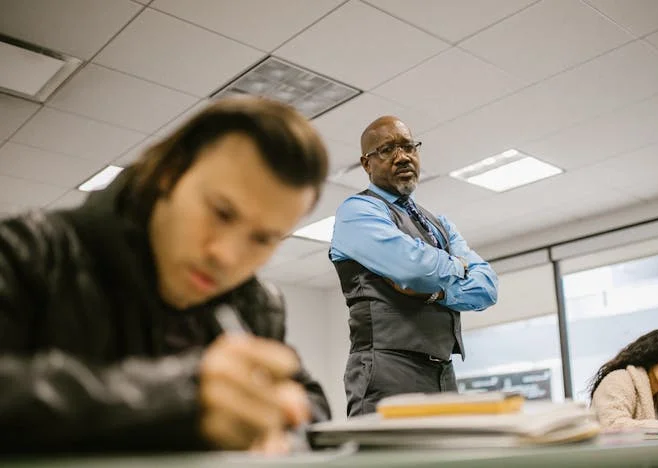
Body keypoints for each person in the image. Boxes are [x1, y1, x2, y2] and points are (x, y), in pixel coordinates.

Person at [0, 97, 331, 452]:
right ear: (169, 173)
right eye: (221, 212)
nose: (227, 257)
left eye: (263, 238)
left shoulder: (256, 305)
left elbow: (310, 403)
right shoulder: (27, 250)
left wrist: (281, 413)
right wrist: (179, 400)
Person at [330, 116, 498, 417]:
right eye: (387, 149)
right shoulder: (358, 211)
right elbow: (415, 270)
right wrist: (460, 266)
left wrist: (437, 294)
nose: (402, 156)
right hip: (387, 368)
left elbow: (487, 288)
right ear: (366, 163)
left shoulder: (440, 223)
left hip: (442, 371)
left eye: (409, 147)